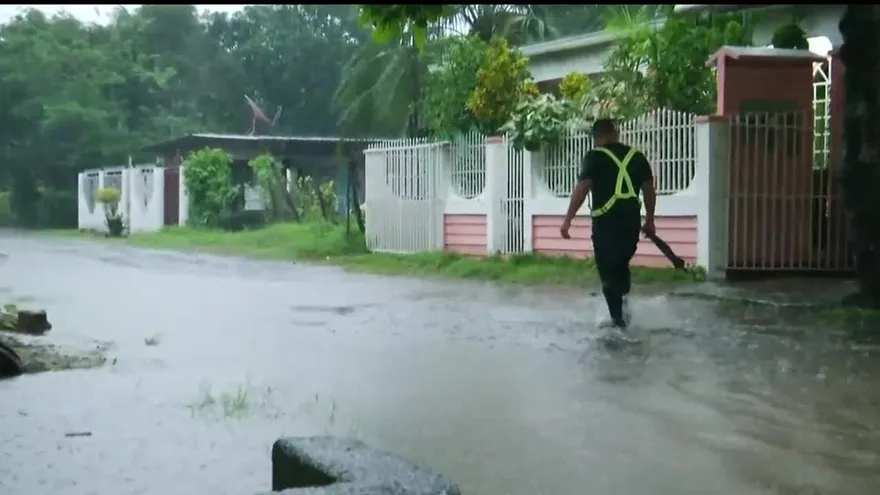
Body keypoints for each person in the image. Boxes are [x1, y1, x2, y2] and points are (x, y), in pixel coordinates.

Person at [559, 119, 656, 329]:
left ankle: (617, 320)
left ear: (595, 137)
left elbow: (583, 188)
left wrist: (568, 220)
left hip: (606, 223)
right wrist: (650, 220)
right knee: (620, 263)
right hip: (631, 221)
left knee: (608, 269)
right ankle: (623, 309)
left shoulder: (594, 157)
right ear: (615, 133)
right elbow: (649, 190)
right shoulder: (637, 157)